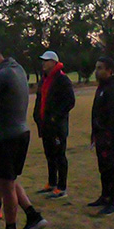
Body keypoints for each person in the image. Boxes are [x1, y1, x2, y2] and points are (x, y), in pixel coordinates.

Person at [0, 43, 49, 229]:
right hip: (20, 132)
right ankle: (32, 215)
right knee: (7, 179)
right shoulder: (17, 68)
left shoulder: (2, 76)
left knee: (6, 183)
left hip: (7, 135)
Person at [33, 51, 75, 199]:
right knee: (49, 155)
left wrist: (55, 117)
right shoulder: (44, 80)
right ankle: (51, 183)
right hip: (46, 126)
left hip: (57, 126)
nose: (43, 63)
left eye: (46, 60)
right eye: (43, 60)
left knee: (59, 155)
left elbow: (70, 101)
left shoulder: (62, 80)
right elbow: (40, 100)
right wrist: (37, 116)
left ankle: (61, 187)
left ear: (54, 62)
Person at [89, 56, 114, 216]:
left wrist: (107, 135)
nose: (97, 71)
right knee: (103, 167)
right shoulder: (102, 88)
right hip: (100, 134)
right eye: (96, 68)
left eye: (100, 68)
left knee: (110, 167)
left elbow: (112, 116)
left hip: (109, 135)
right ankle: (105, 195)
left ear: (109, 71)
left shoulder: (112, 89)